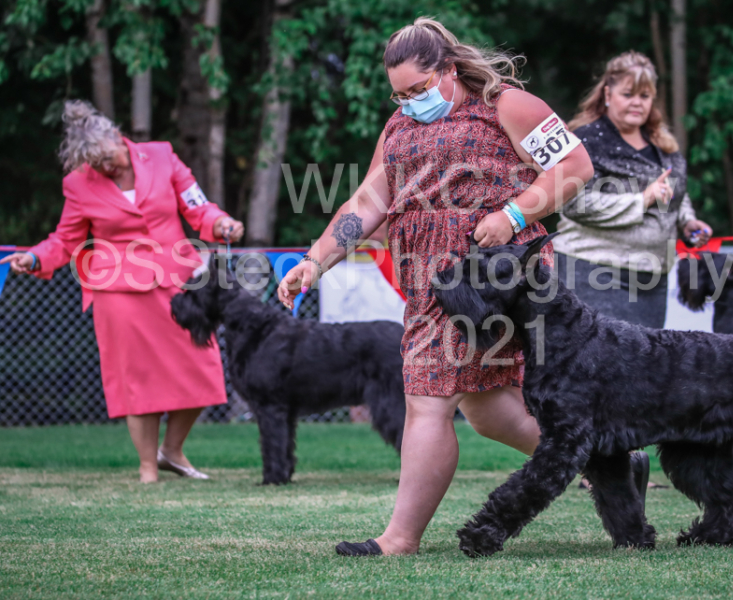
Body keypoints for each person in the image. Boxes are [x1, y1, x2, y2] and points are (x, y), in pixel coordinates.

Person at [277, 18, 593, 556]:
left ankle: (399, 539)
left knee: (427, 398)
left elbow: (575, 165)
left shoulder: (509, 105)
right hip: (429, 284)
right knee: (488, 409)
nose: (408, 102)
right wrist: (315, 260)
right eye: (399, 95)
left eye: (418, 89)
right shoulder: (398, 126)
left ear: (448, 69)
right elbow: (368, 203)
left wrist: (513, 214)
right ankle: (606, 459)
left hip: (492, 277)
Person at [0, 101, 244, 483]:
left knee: (204, 366)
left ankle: (172, 451)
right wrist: (33, 257)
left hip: (178, 282)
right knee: (138, 381)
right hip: (118, 290)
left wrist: (221, 222)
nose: (105, 168)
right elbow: (65, 240)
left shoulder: (161, 155)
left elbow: (197, 206)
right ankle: (148, 466)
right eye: (95, 164)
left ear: (118, 137)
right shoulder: (78, 183)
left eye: (108, 158)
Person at [554, 51, 713, 329]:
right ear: (608, 94)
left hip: (654, 278)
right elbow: (573, 203)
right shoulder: (584, 141)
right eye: (628, 94)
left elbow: (673, 190)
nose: (637, 103)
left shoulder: (663, 143)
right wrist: (641, 200)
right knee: (603, 356)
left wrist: (687, 221)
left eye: (645, 96)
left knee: (646, 356)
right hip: (594, 272)